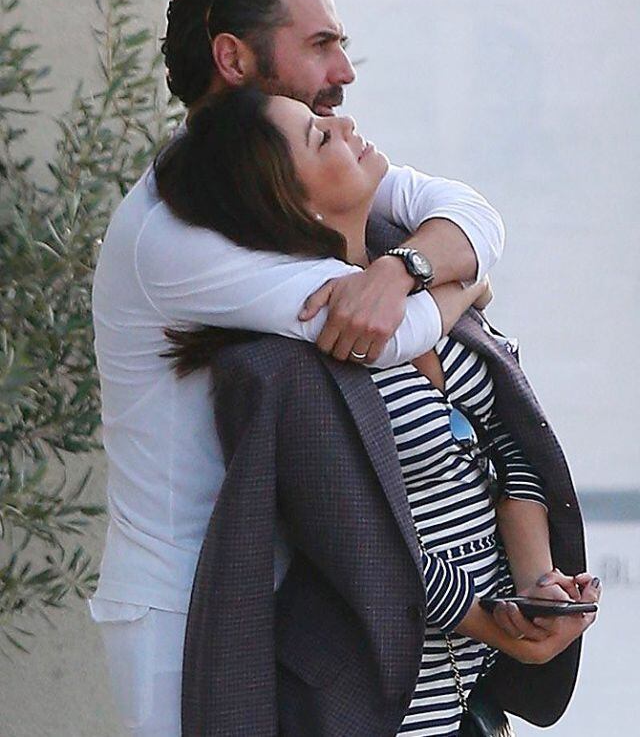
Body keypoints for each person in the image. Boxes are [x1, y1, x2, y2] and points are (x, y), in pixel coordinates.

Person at [89, 0, 508, 737]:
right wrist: (453, 284)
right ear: (234, 59)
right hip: (184, 608)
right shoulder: (175, 230)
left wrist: (405, 267)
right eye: (319, 44)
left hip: (282, 587)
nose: (343, 73)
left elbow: (474, 216)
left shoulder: (295, 160)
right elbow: (375, 334)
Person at [156, 88, 600, 736]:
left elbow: (506, 442)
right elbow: (356, 541)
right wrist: (492, 620)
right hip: (375, 703)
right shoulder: (280, 360)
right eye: (319, 137)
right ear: (286, 201)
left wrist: (536, 582)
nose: (344, 122)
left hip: (473, 693)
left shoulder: (423, 284)